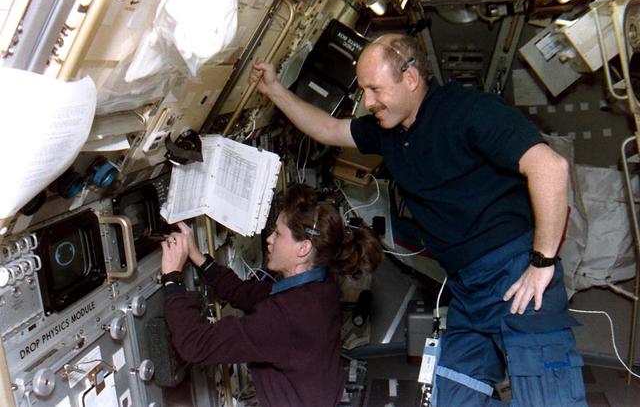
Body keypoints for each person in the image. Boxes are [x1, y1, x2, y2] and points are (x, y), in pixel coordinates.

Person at [249, 34, 587, 406]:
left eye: (376, 89)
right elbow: (328, 130)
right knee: (455, 398)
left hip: (516, 274)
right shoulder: (389, 131)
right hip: (467, 288)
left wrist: (542, 263)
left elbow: (550, 167)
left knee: (549, 399)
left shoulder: (468, 111)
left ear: (410, 78)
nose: (368, 102)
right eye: (364, 91)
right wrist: (275, 90)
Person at [160, 184, 382, 407]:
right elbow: (244, 294)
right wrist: (198, 257)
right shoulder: (321, 285)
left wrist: (172, 277)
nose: (269, 239)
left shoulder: (286, 316)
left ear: (303, 249)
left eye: (278, 234)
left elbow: (194, 345)